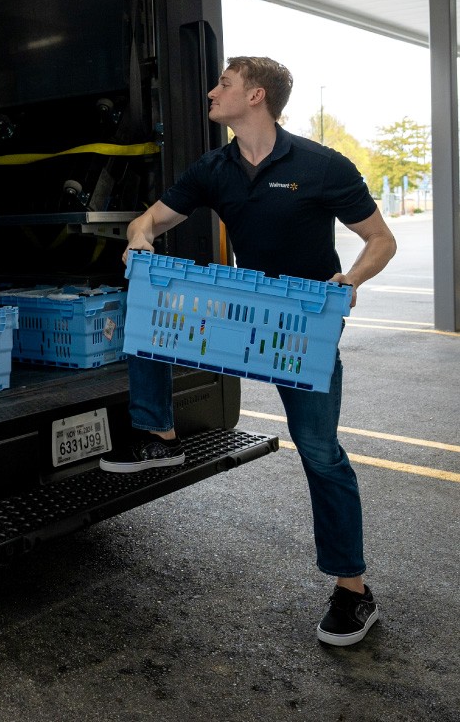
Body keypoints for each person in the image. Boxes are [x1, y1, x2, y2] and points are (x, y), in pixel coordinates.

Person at [100, 56, 396, 648]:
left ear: (256, 96)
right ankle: (157, 437)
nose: (212, 91)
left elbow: (380, 240)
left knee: (319, 451)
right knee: (155, 301)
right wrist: (140, 243)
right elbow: (147, 221)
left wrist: (351, 280)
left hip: (301, 322)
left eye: (225, 84)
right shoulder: (216, 167)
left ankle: (353, 592)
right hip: (240, 308)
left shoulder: (321, 165)